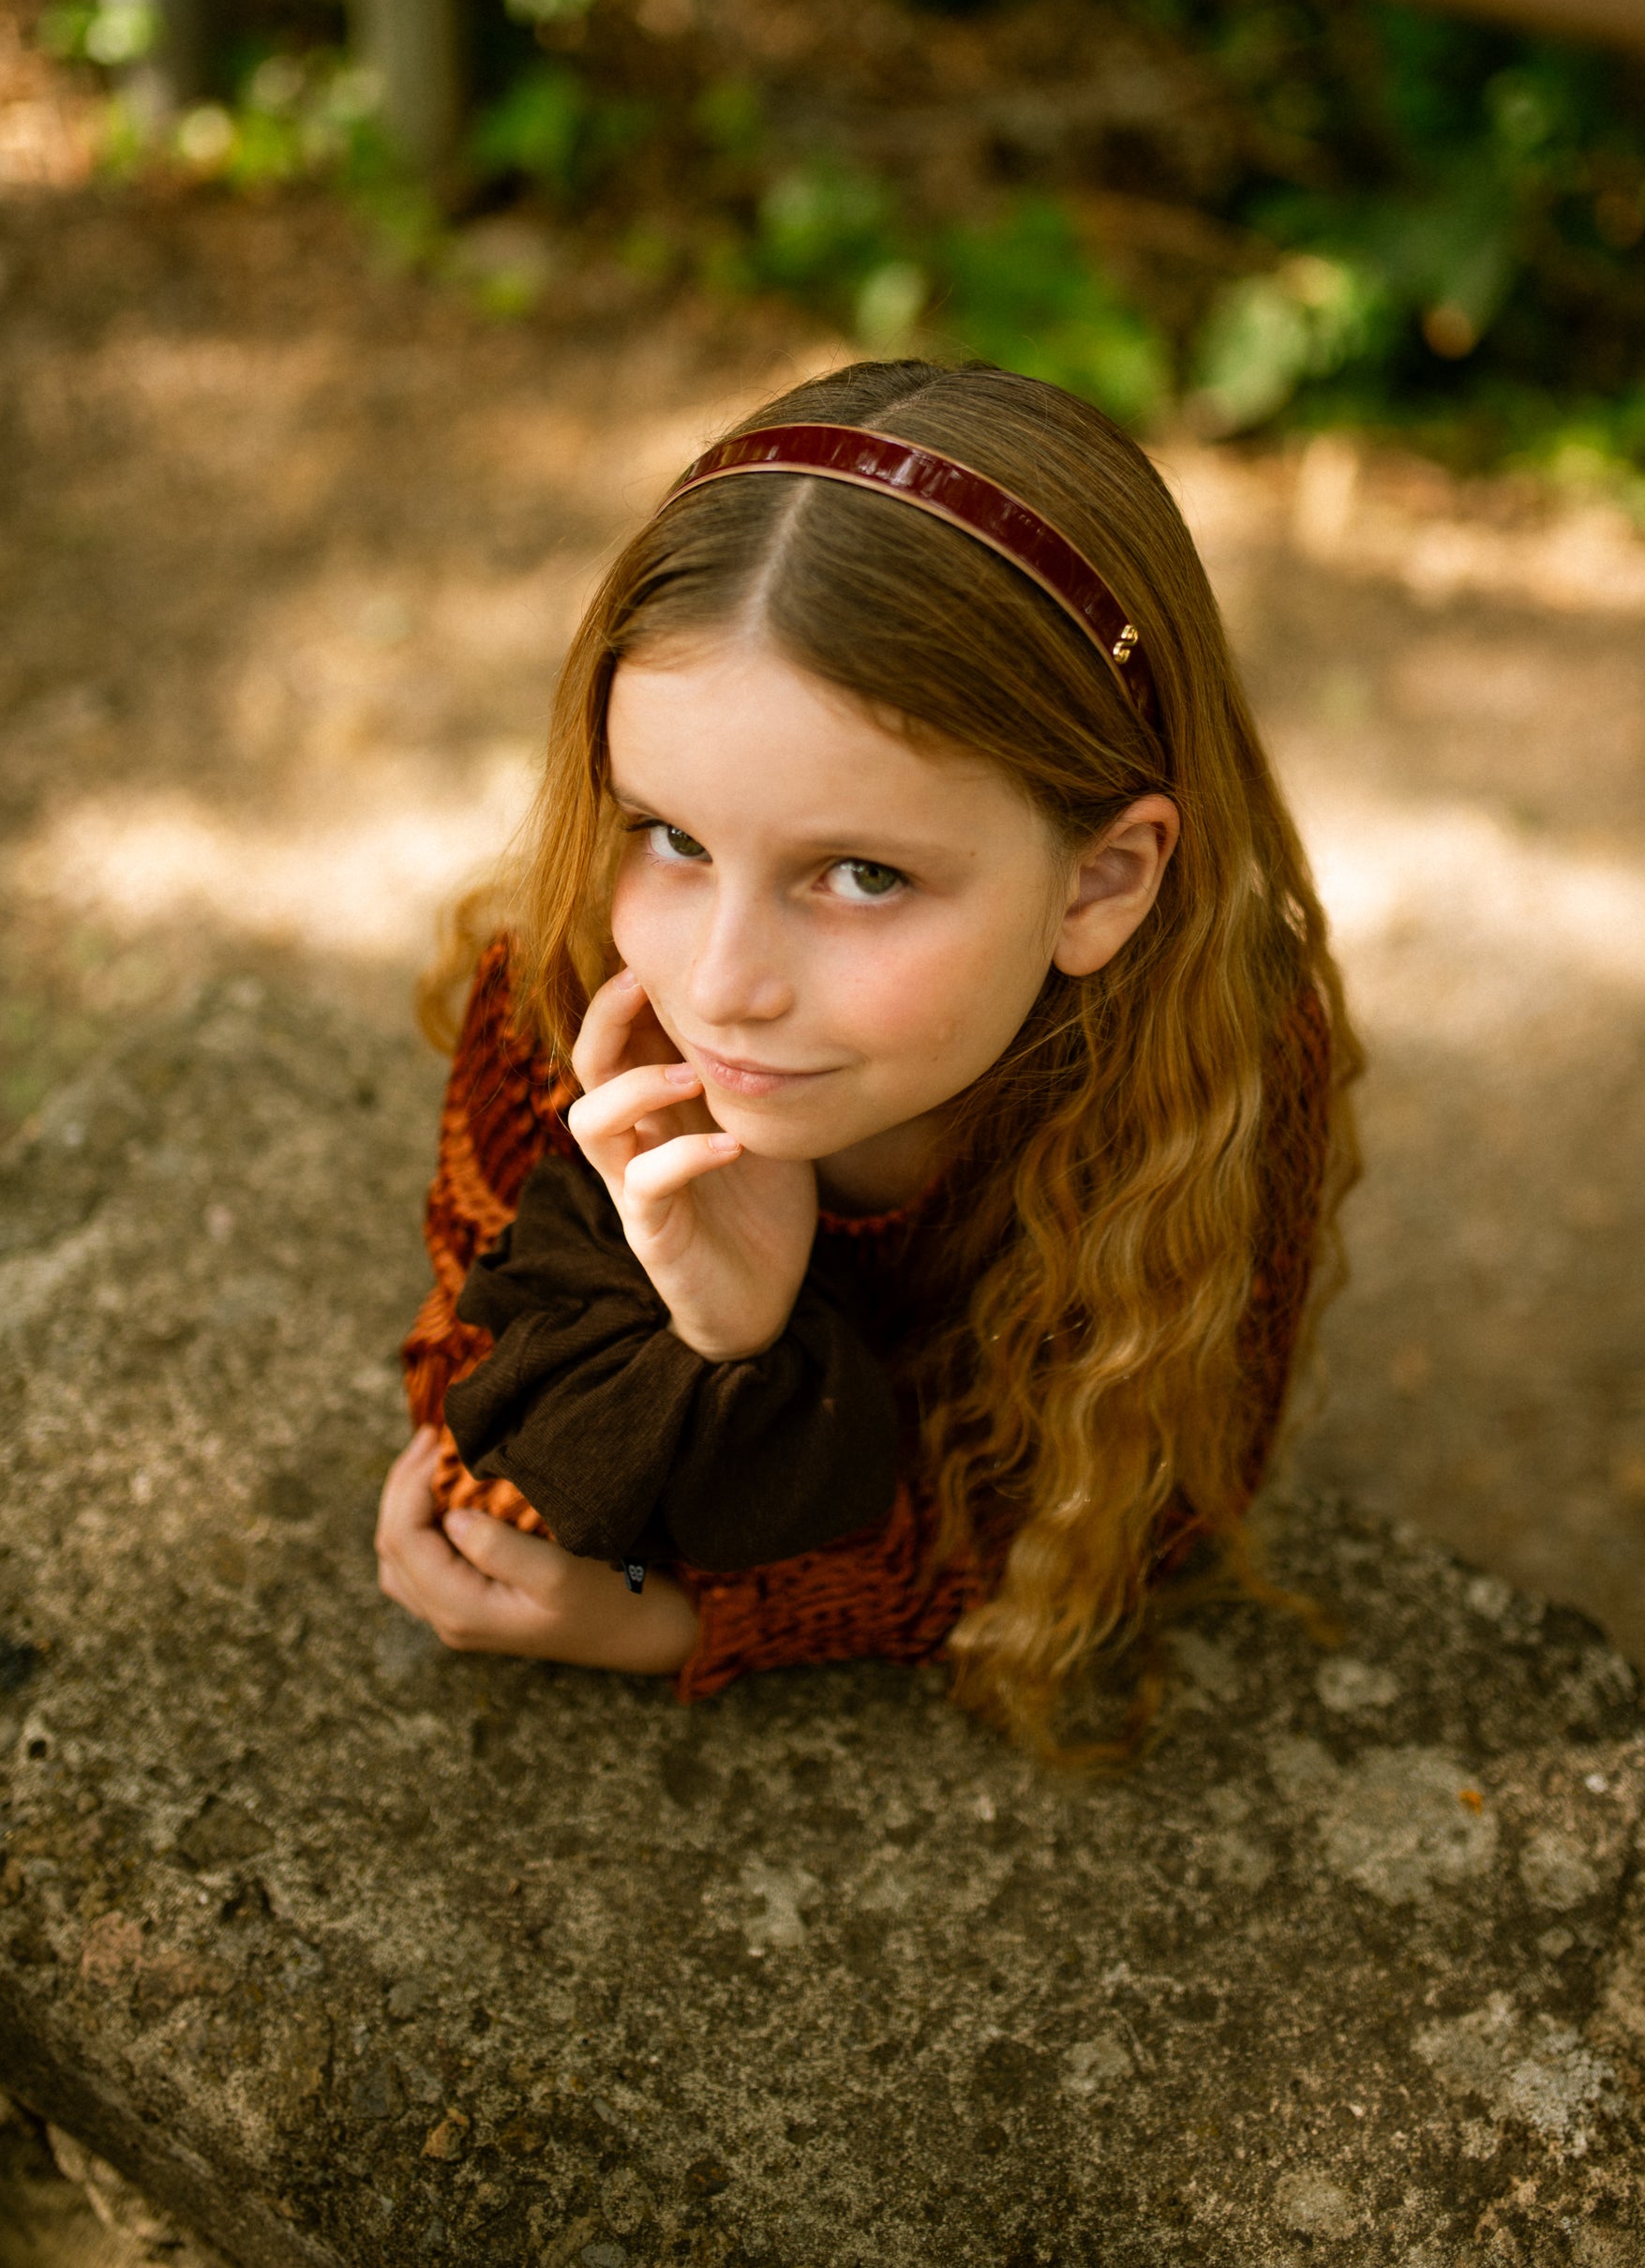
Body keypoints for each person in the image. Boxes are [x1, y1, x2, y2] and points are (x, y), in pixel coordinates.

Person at [374, 357, 1358, 1755]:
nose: (721, 986)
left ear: (1099, 882)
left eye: (863, 875)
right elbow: (484, 1451)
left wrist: (697, 1621)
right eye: (672, 837)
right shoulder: (573, 992)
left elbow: (1130, 1510)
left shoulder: (1214, 1075)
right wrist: (711, 1329)